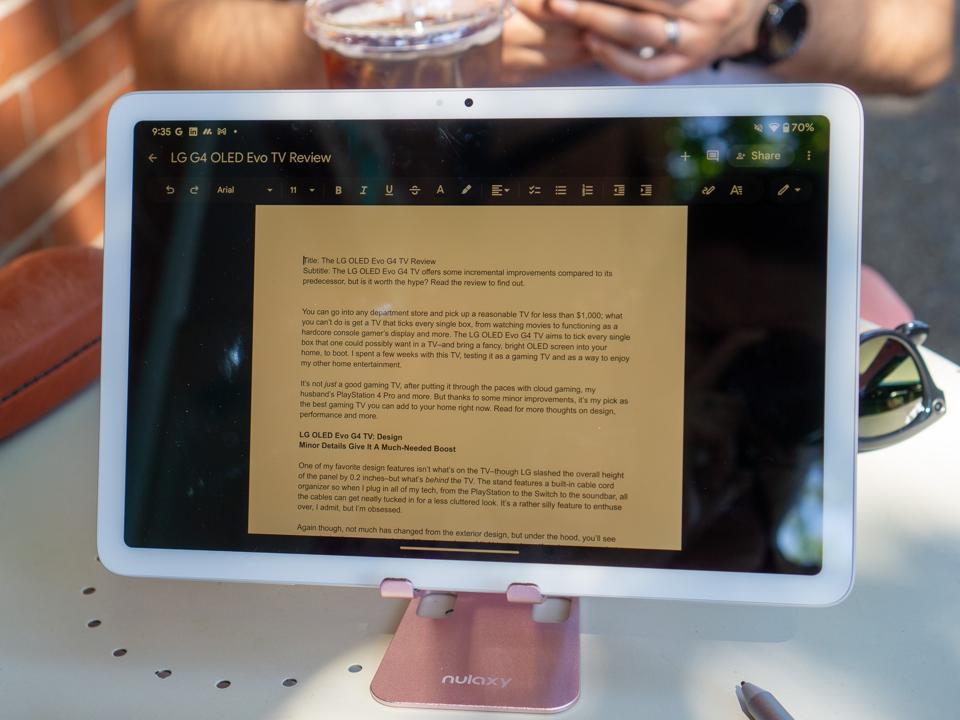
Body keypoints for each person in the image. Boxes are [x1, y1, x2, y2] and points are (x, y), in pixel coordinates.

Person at [134, 0, 954, 96]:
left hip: (727, 255)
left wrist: (754, 20)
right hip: (385, 274)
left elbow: (918, 45)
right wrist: (403, 30)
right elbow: (173, 52)